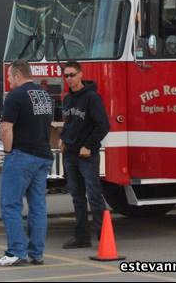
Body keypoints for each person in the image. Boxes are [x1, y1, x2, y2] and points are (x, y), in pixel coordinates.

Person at [0, 59, 54, 267]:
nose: (9, 81)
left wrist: (8, 152)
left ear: (18, 75)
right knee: (37, 206)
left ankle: (16, 251)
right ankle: (36, 253)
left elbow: (6, 128)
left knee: (10, 204)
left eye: (10, 76)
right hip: (43, 155)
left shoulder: (15, 96)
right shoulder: (45, 95)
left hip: (22, 156)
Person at [60, 60, 110, 249]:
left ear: (81, 74)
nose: (70, 79)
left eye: (73, 75)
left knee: (94, 195)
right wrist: (63, 138)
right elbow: (69, 122)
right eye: (67, 76)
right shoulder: (67, 99)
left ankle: (104, 236)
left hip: (87, 155)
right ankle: (82, 237)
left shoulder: (91, 97)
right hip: (70, 154)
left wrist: (89, 145)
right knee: (77, 197)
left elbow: (103, 125)